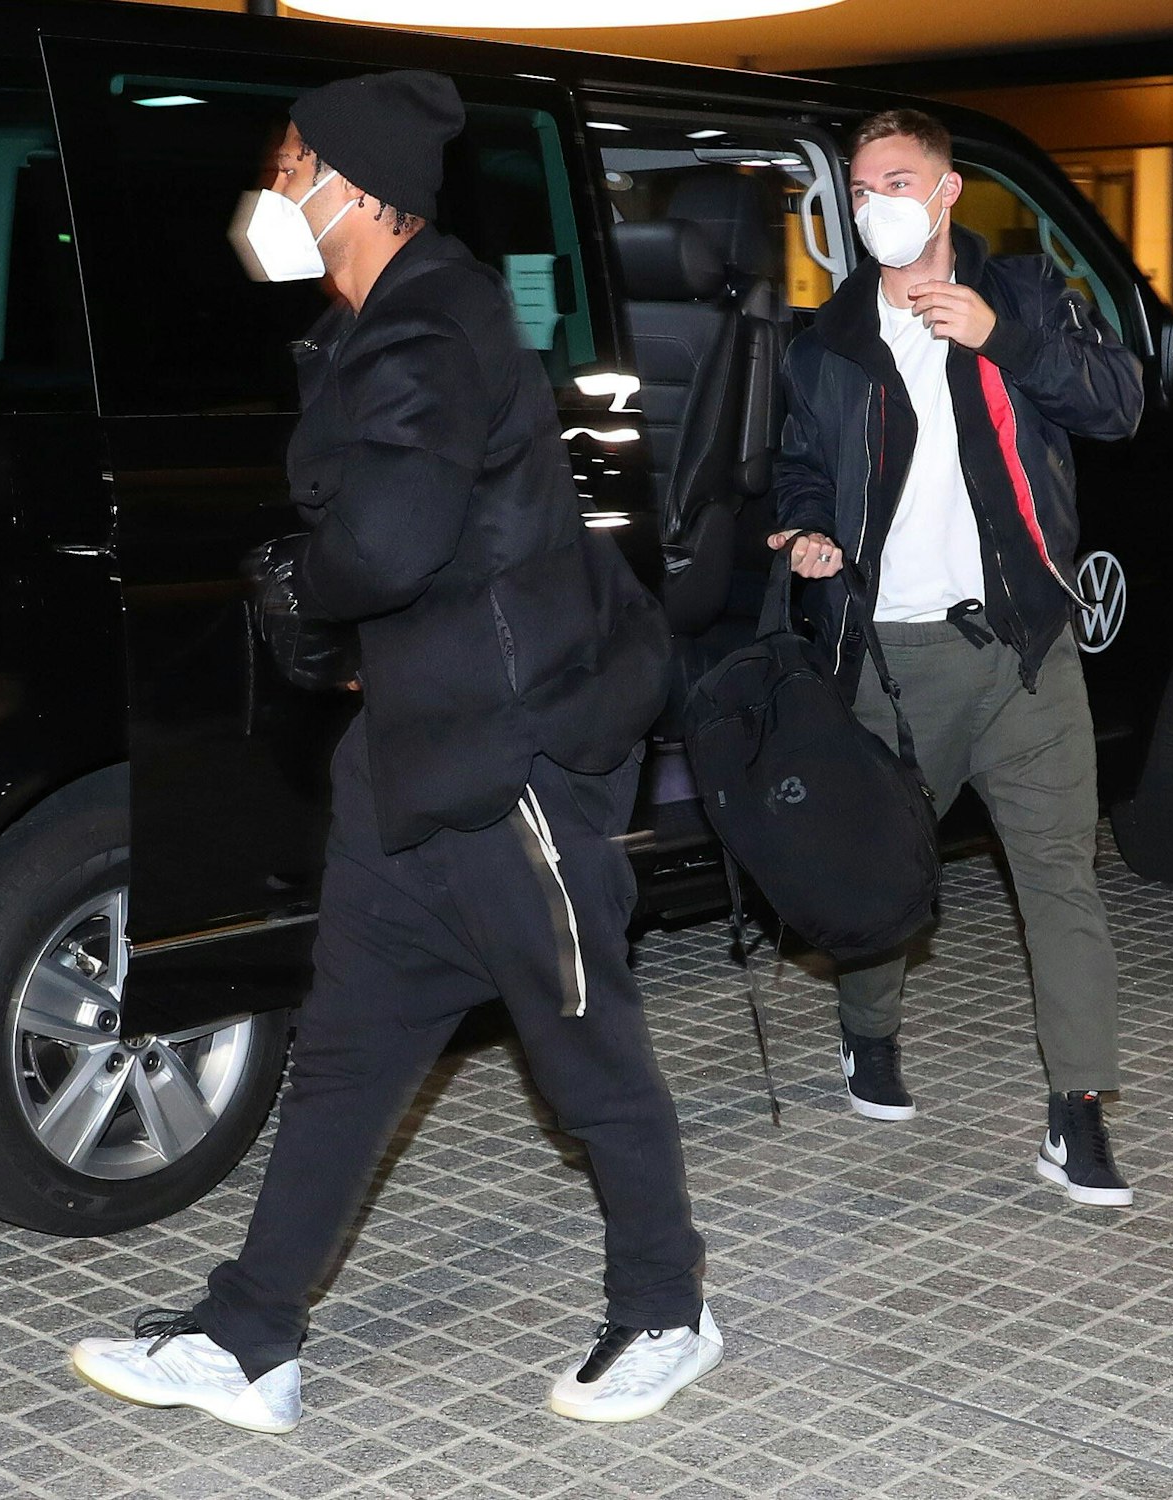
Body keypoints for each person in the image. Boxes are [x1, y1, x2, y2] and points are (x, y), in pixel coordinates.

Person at [69, 72, 719, 1434]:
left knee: (582, 1041)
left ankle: (667, 1308)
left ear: (352, 189)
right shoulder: (387, 316)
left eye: (291, 166)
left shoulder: (432, 327)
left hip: (515, 753)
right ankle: (252, 1341)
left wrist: (295, 583)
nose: (275, 193)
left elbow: (391, 541)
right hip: (414, 747)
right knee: (350, 1046)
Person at [767, 109, 1144, 1205]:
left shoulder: (1020, 300)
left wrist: (1001, 338)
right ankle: (865, 1029)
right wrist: (800, 534)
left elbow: (1118, 405)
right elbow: (797, 469)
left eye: (894, 179)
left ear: (943, 194)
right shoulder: (826, 341)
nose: (871, 199)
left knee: (1061, 882)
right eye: (858, 182)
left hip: (1026, 647)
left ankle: (1077, 1115)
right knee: (882, 880)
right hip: (893, 655)